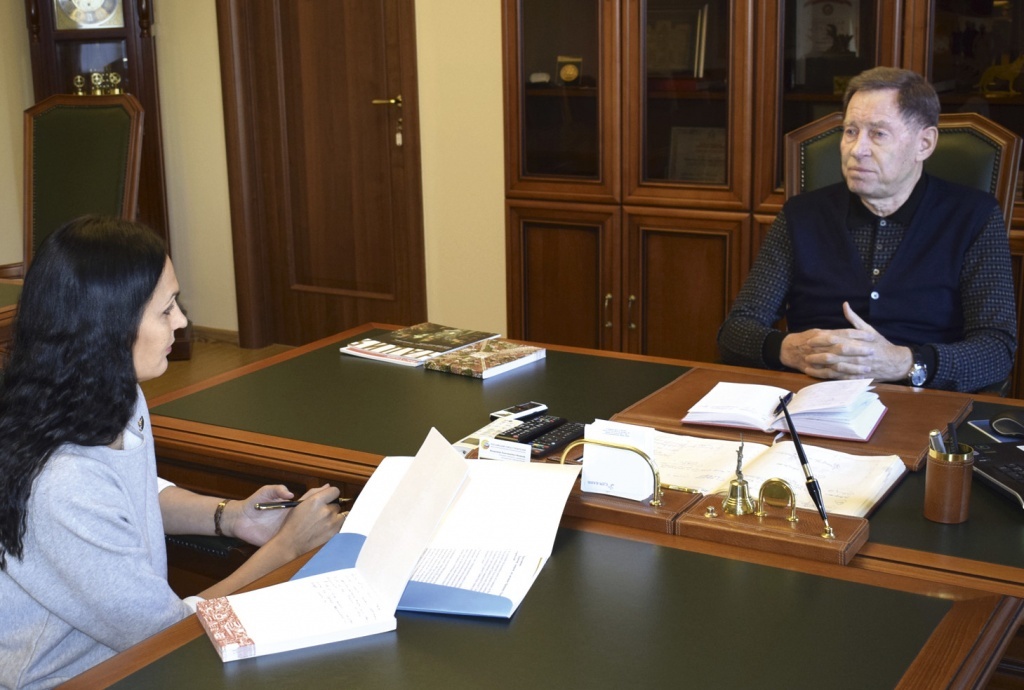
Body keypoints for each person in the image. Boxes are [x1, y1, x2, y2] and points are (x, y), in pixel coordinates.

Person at [0, 216, 347, 688]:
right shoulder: (63, 483)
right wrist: (286, 549)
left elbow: (135, 495)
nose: (181, 321)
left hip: (127, 658)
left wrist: (232, 516)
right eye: (165, 311)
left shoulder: (113, 393)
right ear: (110, 328)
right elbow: (167, 636)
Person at [717, 66, 1016, 393]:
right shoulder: (802, 215)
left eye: (878, 134)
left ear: (924, 144)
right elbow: (735, 332)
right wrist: (790, 350)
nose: (856, 149)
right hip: (814, 398)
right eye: (850, 131)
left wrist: (906, 362)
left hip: (923, 402)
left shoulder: (973, 217)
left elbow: (997, 349)